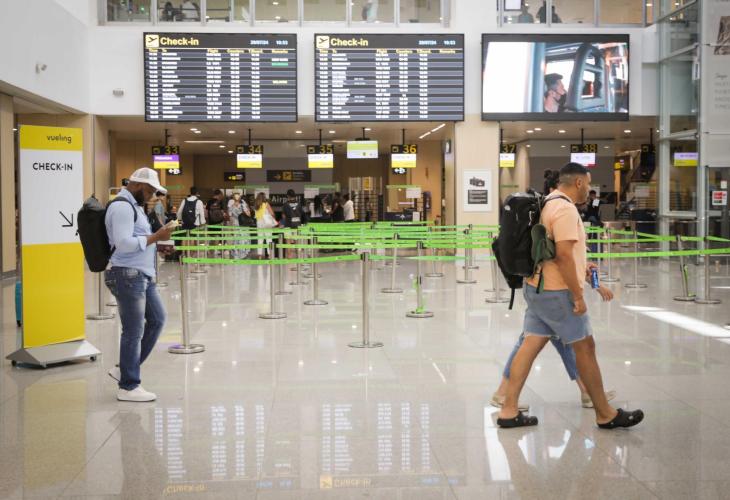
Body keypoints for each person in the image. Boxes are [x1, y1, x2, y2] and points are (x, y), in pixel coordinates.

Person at [497, 162, 644, 429]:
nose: (589, 189)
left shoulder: (547, 203)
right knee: (585, 348)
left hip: (537, 286)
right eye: (588, 183)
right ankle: (605, 413)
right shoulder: (565, 209)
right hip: (557, 292)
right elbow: (563, 255)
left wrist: (585, 271)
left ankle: (508, 410)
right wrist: (577, 296)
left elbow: (555, 251)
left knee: (529, 346)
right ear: (578, 182)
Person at [105, 168, 175, 402]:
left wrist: (159, 243)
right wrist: (157, 237)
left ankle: (124, 369)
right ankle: (128, 386)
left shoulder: (135, 207)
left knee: (157, 320)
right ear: (136, 185)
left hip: (141, 274)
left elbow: (139, 239)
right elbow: (123, 243)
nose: (152, 195)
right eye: (149, 190)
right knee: (133, 331)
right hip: (127, 275)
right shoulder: (122, 207)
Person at [227, 193, 251, 259]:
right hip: (243, 225)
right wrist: (246, 209)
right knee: (243, 239)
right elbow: (249, 214)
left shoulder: (231, 207)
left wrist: (231, 227)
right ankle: (243, 254)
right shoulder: (243, 205)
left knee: (236, 239)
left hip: (236, 224)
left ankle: (237, 254)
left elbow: (230, 217)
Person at [281, 189, 305, 258]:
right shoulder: (299, 204)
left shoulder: (286, 204)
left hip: (288, 224)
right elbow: (302, 214)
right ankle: (298, 255)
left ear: (288, 196)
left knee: (288, 240)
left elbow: (283, 215)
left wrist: (283, 223)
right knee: (297, 240)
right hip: (297, 224)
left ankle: (289, 256)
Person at [254, 192, 277, 258]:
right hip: (267, 223)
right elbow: (272, 213)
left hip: (259, 223)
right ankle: (270, 255)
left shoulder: (256, 205)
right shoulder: (266, 204)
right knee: (269, 239)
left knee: (260, 239)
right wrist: (273, 219)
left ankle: (259, 255)